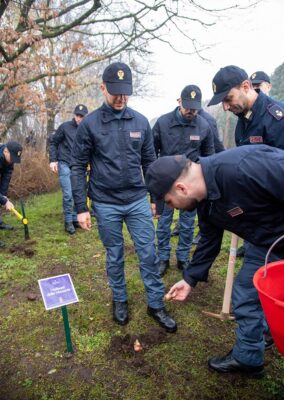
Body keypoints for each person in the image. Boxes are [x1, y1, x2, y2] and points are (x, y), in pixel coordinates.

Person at [145, 146, 284, 376]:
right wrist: (189, 279)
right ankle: (248, 358)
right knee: (246, 293)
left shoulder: (243, 168)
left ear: (181, 188)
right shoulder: (205, 199)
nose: (171, 208)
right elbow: (209, 240)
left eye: (169, 202)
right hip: (267, 244)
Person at [71, 62, 177, 333]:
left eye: (126, 92)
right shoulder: (90, 125)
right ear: (103, 88)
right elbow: (77, 166)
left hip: (137, 200)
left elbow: (150, 162)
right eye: (116, 92)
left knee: (148, 252)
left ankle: (156, 303)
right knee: (115, 255)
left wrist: (157, 198)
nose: (121, 98)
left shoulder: (140, 121)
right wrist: (81, 208)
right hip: (105, 203)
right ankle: (120, 299)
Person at [152, 85, 215, 276]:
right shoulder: (163, 123)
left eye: (195, 108)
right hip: (167, 184)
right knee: (164, 222)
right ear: (179, 101)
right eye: (187, 106)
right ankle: (163, 257)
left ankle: (183, 258)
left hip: (191, 185)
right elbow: (151, 153)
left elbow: (209, 155)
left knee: (187, 224)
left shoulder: (203, 125)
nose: (191, 111)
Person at [49, 104, 88, 234]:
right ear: (74, 115)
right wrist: (53, 160)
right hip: (64, 163)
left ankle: (76, 218)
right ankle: (68, 222)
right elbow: (53, 142)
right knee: (68, 194)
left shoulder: (87, 129)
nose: (79, 118)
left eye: (82, 116)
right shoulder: (65, 127)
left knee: (79, 192)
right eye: (77, 115)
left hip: (79, 166)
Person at [0, 141, 23, 247]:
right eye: (12, 157)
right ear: (5, 151)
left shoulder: (9, 161)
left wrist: (3, 195)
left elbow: (6, 175)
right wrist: (4, 201)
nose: (13, 161)